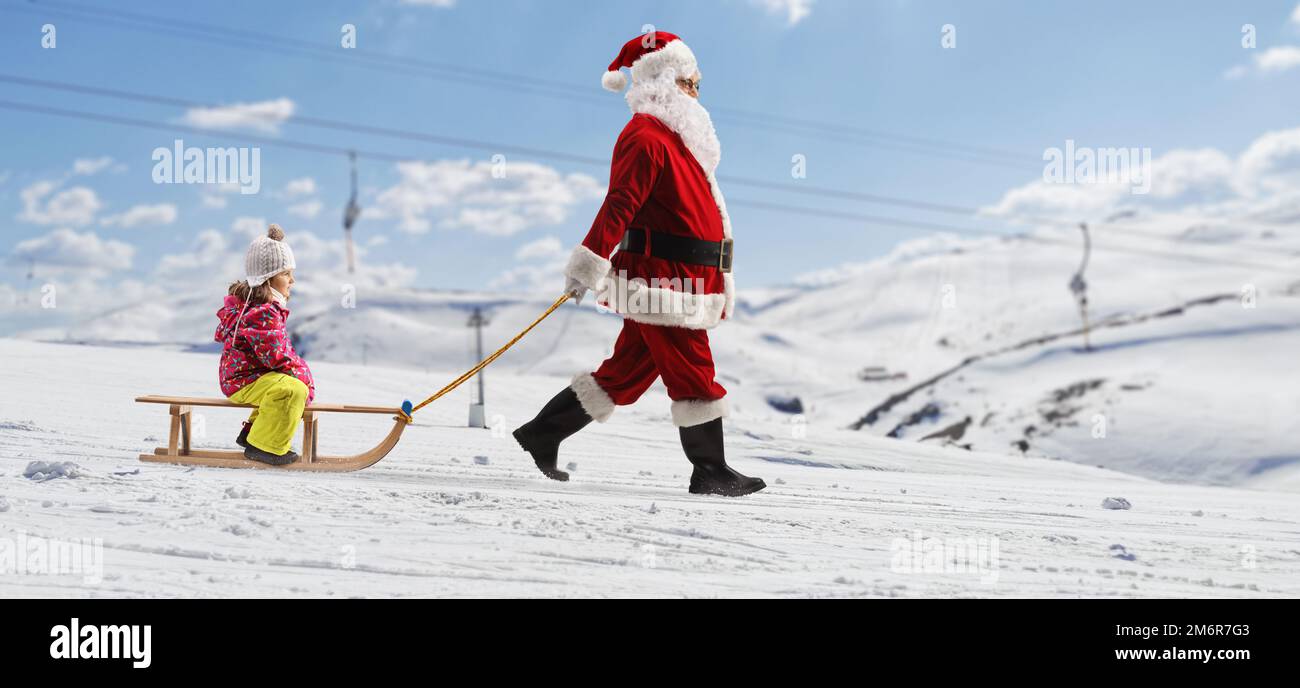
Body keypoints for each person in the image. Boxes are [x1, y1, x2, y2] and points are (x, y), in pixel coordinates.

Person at [514, 31, 765, 497]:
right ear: (667, 80)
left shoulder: (677, 140)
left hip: (684, 277)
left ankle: (542, 433)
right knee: (693, 369)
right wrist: (588, 263)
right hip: (662, 281)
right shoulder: (645, 136)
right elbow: (620, 204)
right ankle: (709, 469)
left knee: (624, 374)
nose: (697, 93)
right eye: (692, 83)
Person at [215, 224, 315, 465]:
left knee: (284, 385)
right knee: (293, 390)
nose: (292, 280)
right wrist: (304, 377)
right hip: (243, 381)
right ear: (266, 280)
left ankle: (252, 433)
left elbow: (277, 354)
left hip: (245, 377)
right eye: (285, 274)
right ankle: (265, 446)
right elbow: (276, 356)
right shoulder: (263, 313)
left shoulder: (261, 307)